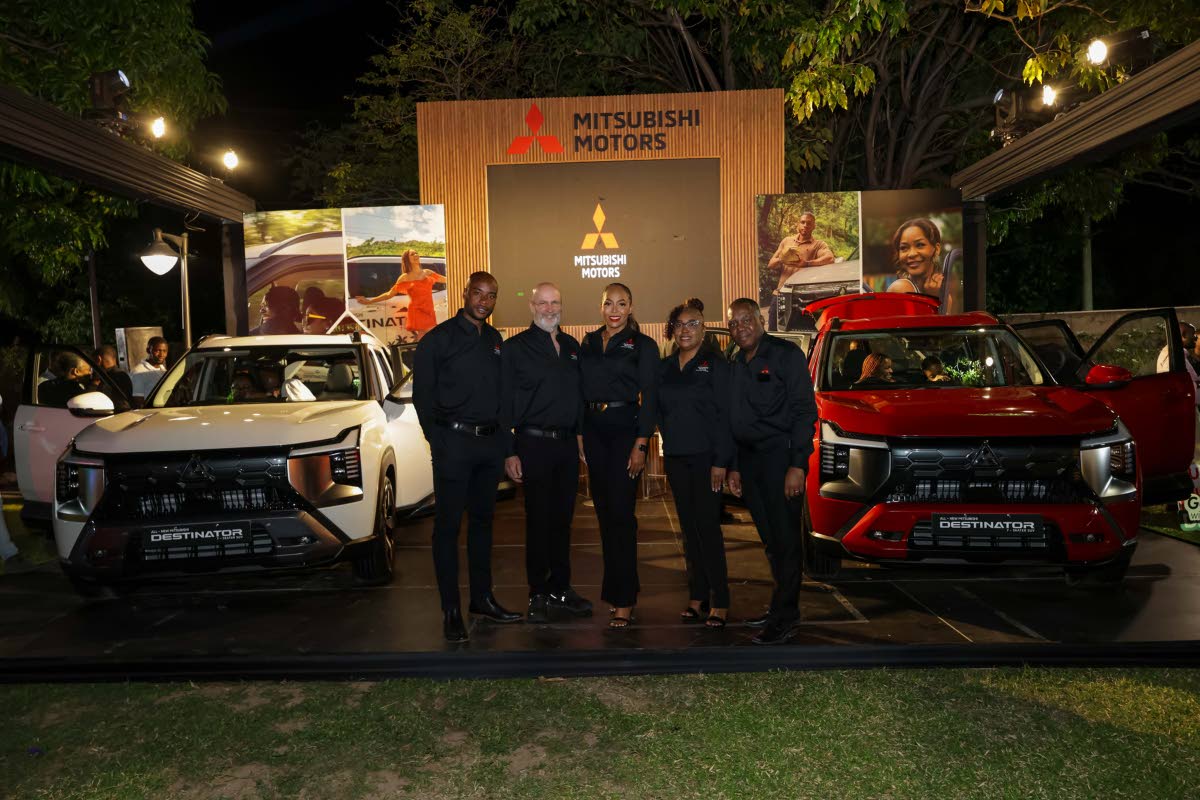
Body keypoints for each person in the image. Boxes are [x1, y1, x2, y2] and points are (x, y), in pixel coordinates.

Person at [414, 271, 521, 641]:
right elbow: (422, 398)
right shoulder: (437, 340)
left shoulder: (495, 341)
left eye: (491, 296)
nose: (483, 301)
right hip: (453, 447)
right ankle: (450, 610)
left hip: (489, 448)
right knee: (447, 529)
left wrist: (507, 448)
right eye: (478, 293)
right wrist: (438, 443)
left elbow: (504, 399)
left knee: (483, 526)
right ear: (465, 294)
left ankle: (482, 599)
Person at [724, 298, 817, 645]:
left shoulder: (785, 355)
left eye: (746, 320)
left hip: (781, 460)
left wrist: (797, 465)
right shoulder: (735, 363)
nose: (740, 328)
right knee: (770, 541)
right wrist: (734, 467)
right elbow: (734, 420)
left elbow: (805, 412)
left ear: (760, 320)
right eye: (734, 324)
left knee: (786, 542)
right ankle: (778, 606)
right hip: (749, 463)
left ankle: (787, 617)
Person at [500, 282, 592, 623]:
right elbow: (504, 404)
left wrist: (580, 435)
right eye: (543, 303)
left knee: (563, 522)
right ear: (532, 306)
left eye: (555, 302)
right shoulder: (514, 349)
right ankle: (537, 592)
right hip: (532, 445)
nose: (549, 309)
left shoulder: (571, 347)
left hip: (566, 446)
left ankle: (561, 589)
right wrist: (509, 451)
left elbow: (578, 396)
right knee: (538, 522)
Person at [578, 282, 659, 629]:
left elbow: (651, 398)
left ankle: (624, 600)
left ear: (630, 307)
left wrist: (641, 443)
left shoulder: (643, 345)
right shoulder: (589, 342)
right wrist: (580, 433)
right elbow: (580, 390)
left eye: (621, 303)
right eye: (608, 303)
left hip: (626, 433)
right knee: (605, 516)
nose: (614, 309)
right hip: (593, 433)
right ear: (601, 307)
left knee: (622, 517)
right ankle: (619, 590)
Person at [658, 302, 732, 628]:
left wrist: (721, 462)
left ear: (703, 328)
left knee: (708, 528)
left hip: (707, 461)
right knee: (689, 530)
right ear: (672, 329)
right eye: (680, 324)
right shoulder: (665, 367)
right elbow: (658, 411)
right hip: (676, 458)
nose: (685, 330)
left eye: (692, 324)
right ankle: (697, 596)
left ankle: (721, 600)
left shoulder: (716, 365)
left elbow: (727, 418)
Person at [356, 250, 447, 342]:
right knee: (432, 334)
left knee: (423, 336)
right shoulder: (405, 277)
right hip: (417, 310)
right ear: (407, 259)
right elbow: (389, 294)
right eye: (412, 254)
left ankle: (418, 354)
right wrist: (369, 301)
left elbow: (447, 280)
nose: (416, 255)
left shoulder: (428, 272)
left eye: (416, 253)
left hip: (429, 309)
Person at [767, 212, 835, 296]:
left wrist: (806, 263)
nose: (805, 225)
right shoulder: (787, 241)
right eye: (802, 222)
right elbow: (770, 264)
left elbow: (830, 258)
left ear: (814, 226)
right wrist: (782, 259)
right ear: (798, 224)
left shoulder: (818, 244)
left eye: (809, 223)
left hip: (802, 294)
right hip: (781, 291)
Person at [887, 219, 947, 309]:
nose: (912, 254)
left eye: (920, 245)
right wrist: (933, 300)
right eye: (904, 248)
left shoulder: (943, 290)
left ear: (936, 249)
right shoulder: (901, 288)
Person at [1157, 322, 1199, 403]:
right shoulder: (1171, 356)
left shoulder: (1178, 353)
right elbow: (1176, 386)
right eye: (1193, 335)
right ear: (1183, 335)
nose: (1196, 338)